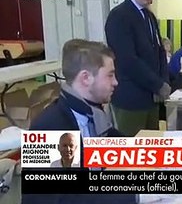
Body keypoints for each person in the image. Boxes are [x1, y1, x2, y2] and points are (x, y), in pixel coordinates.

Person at [25, 39, 137, 204]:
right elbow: (57, 199)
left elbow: (114, 142)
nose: (116, 82)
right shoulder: (47, 126)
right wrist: (137, 196)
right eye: (110, 75)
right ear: (86, 78)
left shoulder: (93, 111)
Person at [105, 0, 170, 136]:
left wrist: (164, 82)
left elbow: (160, 53)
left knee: (150, 150)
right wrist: (158, 84)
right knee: (132, 155)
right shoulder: (119, 16)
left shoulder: (149, 17)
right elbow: (128, 60)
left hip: (152, 99)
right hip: (130, 100)